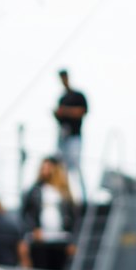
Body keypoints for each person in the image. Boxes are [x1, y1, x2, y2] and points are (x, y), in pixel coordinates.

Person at [21, 157, 77, 270]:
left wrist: (72, 242)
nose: (45, 170)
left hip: (61, 240)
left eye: (48, 167)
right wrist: (33, 229)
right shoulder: (34, 190)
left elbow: (74, 218)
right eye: (43, 167)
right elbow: (25, 214)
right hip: (40, 240)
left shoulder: (64, 192)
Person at [54, 69, 88, 204]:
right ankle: (67, 198)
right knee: (62, 168)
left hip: (74, 136)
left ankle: (83, 197)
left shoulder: (78, 96)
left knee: (76, 166)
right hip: (63, 136)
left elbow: (82, 112)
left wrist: (65, 111)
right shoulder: (62, 98)